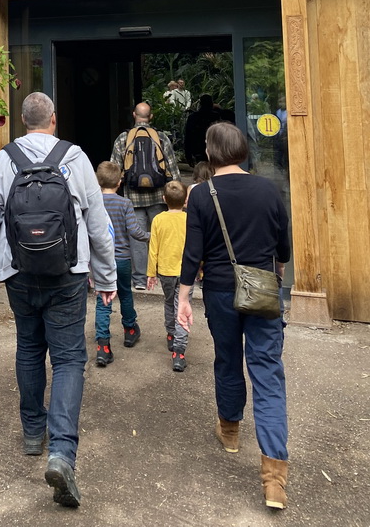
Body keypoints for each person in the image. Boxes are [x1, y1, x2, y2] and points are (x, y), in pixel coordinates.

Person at [0, 92, 117, 509]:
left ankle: (34, 433)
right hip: (69, 273)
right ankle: (62, 453)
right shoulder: (75, 158)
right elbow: (97, 222)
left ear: (22, 120)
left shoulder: (5, 159)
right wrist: (107, 277)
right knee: (69, 358)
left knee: (29, 348)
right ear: (53, 119)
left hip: (19, 272)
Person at [177, 121, 291, 510]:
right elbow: (284, 246)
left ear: (210, 153)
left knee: (227, 359)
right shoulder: (268, 189)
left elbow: (193, 253)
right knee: (268, 372)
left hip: (223, 292)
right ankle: (274, 478)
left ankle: (229, 431)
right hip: (262, 291)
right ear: (243, 150)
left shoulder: (202, 196)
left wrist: (183, 296)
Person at [111, 101, 181, 290]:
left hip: (133, 197)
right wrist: (176, 194)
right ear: (150, 117)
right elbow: (173, 170)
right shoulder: (161, 138)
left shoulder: (123, 139)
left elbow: (114, 170)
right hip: (158, 196)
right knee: (162, 235)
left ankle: (140, 280)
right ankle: (165, 276)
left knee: (137, 238)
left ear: (134, 115)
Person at [92, 161, 150, 365]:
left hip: (100, 260)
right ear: (119, 182)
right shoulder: (124, 203)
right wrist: (152, 236)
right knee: (125, 294)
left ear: (98, 181)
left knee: (102, 299)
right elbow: (135, 231)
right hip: (122, 259)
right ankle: (130, 330)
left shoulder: (93, 202)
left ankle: (103, 345)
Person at [146, 180, 189, 371]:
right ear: (186, 200)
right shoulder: (189, 219)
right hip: (186, 271)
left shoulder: (158, 220)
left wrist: (150, 273)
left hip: (165, 271)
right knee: (183, 306)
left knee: (169, 302)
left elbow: (153, 248)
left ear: (164, 199)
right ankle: (179, 352)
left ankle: (171, 334)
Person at [184, 94, 227, 166]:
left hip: (198, 151)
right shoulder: (216, 117)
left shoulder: (193, 117)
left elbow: (188, 137)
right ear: (211, 103)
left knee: (202, 172)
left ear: (200, 104)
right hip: (214, 150)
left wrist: (188, 155)